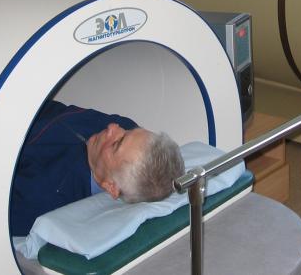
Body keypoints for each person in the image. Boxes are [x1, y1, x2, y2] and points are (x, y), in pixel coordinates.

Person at [9, 101, 185, 236]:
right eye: (128, 131)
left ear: (111, 186)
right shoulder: (125, 129)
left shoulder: (42, 201)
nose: (113, 127)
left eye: (116, 144)